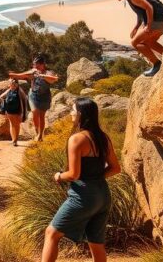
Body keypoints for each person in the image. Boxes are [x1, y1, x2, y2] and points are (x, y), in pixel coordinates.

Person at [41, 97, 122, 262]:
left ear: (80, 114)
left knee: (51, 233)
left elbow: (74, 174)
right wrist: (95, 178)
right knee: (96, 243)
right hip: (103, 196)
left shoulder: (77, 139)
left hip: (83, 197)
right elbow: (116, 168)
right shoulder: (103, 138)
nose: (71, 113)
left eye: (73, 110)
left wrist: (58, 176)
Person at [108, 0, 163, 76]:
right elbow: (140, 12)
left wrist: (148, 26)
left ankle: (157, 64)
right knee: (149, 42)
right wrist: (136, 27)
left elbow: (149, 7)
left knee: (135, 42)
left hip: (158, 22)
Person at [9, 54, 59, 142]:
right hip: (33, 95)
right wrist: (14, 75)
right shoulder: (33, 71)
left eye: (36, 64)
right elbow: (23, 75)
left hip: (44, 96)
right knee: (34, 112)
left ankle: (40, 134)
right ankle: (37, 131)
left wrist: (42, 76)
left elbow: (53, 79)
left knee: (42, 116)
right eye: (34, 64)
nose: (34, 66)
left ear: (42, 64)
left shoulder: (48, 72)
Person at [0, 78, 30, 146]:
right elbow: (1, 97)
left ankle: (15, 140)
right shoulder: (9, 90)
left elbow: (24, 100)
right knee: (12, 124)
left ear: (16, 84)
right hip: (9, 110)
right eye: (11, 83)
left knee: (16, 125)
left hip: (18, 110)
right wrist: (5, 104)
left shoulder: (19, 90)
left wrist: (23, 112)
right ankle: (13, 140)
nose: (11, 84)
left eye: (12, 83)